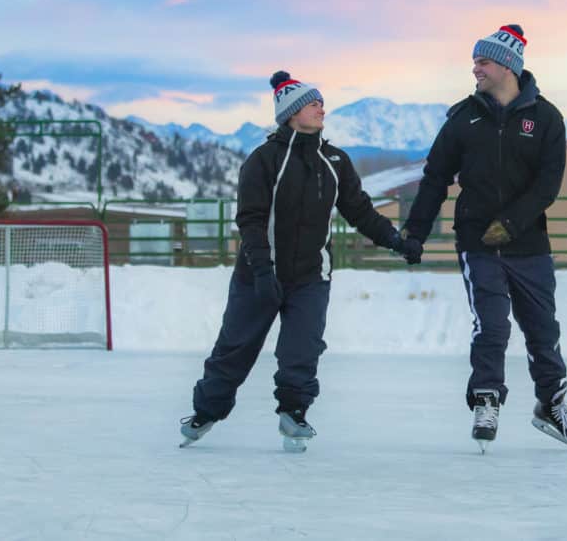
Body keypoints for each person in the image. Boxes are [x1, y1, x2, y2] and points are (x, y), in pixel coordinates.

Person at [179, 70, 421, 449]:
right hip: (258, 275)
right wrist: (261, 270)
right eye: (313, 103)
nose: (322, 108)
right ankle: (207, 410)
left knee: (302, 350)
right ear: (291, 113)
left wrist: (396, 240)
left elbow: (360, 211)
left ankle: (294, 413)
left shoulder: (336, 161)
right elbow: (251, 220)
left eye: (321, 102)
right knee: (235, 349)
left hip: (310, 277)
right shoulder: (263, 161)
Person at [398, 24, 567, 450]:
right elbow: (434, 179)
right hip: (478, 242)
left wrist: (513, 223)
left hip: (529, 245)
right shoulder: (463, 119)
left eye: (481, 62)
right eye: (475, 62)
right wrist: (415, 232)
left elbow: (547, 185)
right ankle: (487, 399)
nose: (475, 70)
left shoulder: (546, 119)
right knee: (492, 325)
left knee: (543, 329)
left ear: (507, 65)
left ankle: (550, 405)